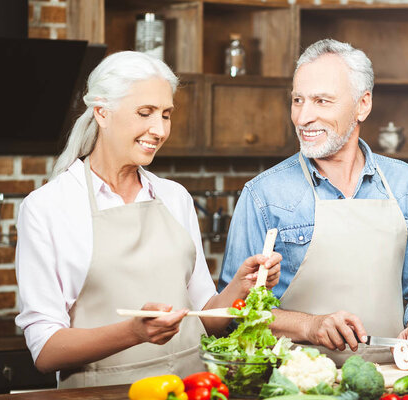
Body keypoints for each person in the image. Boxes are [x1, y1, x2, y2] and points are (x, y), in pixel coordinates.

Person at [15, 51, 282, 388]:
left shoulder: (175, 197)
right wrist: (133, 332)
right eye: (145, 113)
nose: (158, 130)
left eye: (166, 115)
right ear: (102, 112)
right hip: (103, 395)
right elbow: (45, 351)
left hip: (191, 389)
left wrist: (241, 285)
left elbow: (206, 317)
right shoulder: (48, 208)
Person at [218, 39, 408, 367]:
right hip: (295, 384)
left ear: (362, 105)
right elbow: (233, 313)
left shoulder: (405, 184)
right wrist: (309, 325)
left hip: (389, 379)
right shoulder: (264, 194)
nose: (303, 117)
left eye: (321, 101)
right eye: (297, 100)